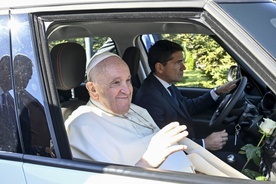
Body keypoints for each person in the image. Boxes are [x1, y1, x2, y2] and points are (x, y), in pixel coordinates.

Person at [64, 52, 248, 179]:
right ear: (93, 89)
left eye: (127, 80)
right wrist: (146, 162)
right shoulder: (81, 126)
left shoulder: (135, 109)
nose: (126, 90)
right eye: (115, 83)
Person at [134, 40, 244, 170]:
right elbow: (163, 144)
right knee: (240, 161)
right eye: (177, 62)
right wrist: (205, 143)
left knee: (240, 145)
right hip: (182, 158)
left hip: (191, 144)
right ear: (160, 68)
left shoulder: (165, 85)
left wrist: (218, 91)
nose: (184, 67)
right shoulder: (149, 98)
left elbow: (189, 106)